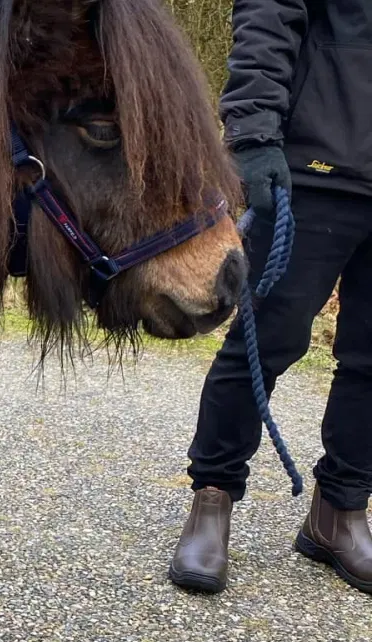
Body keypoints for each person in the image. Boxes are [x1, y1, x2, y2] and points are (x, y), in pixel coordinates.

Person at [168, 0, 372, 596]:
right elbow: (270, 13)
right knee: (267, 341)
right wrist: (254, 131)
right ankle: (213, 496)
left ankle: (340, 511)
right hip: (320, 163)